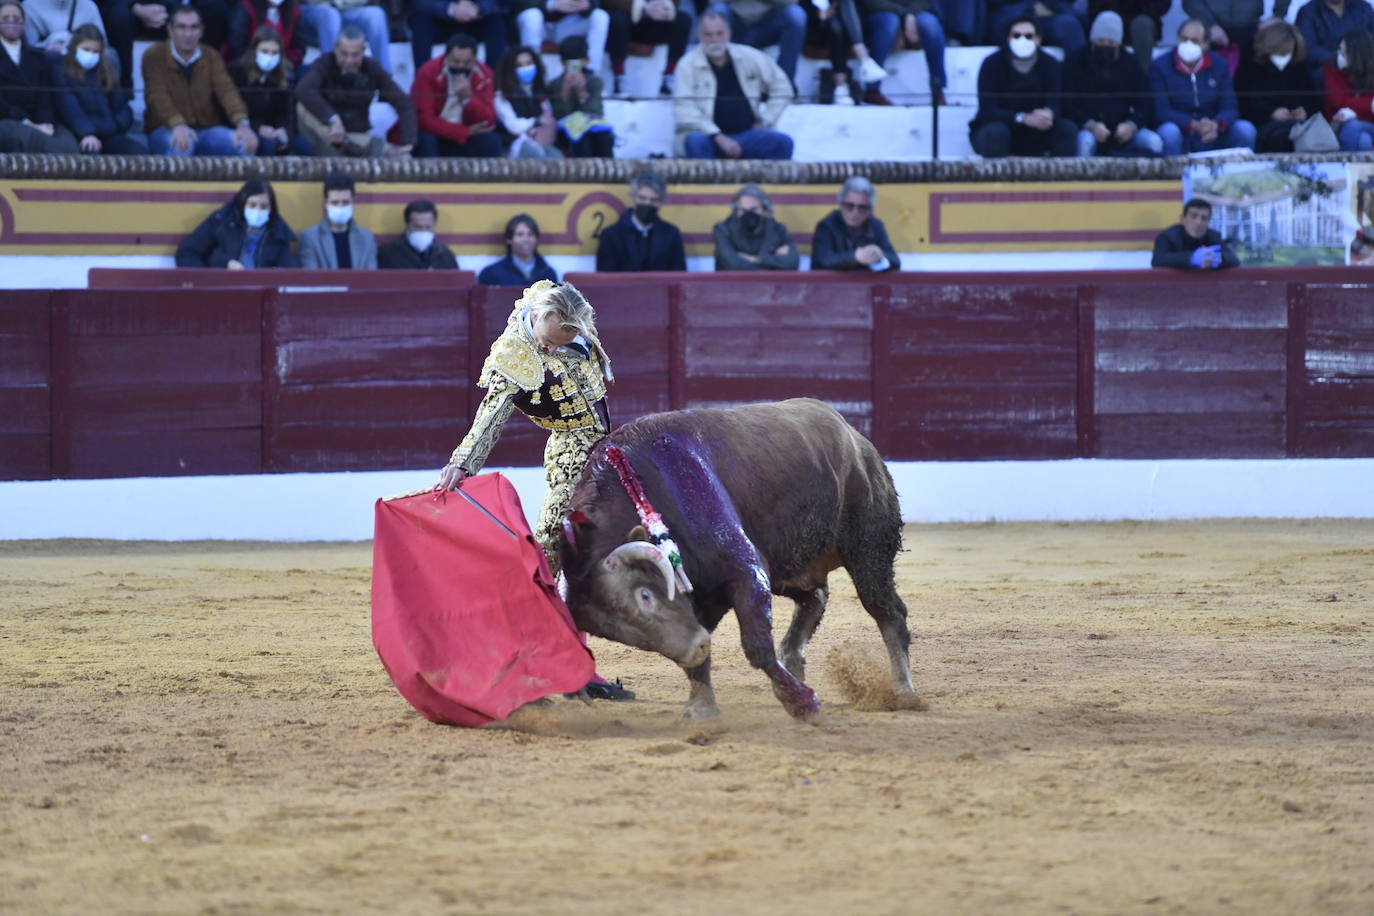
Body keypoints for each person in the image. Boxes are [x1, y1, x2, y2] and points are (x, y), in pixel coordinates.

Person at [434, 279, 633, 702]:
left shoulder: (557, 306)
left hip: (605, 452)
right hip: (572, 456)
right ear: (540, 320)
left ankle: (571, 667)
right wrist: (461, 463)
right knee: (556, 551)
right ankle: (523, 659)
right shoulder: (514, 354)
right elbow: (491, 416)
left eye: (565, 340)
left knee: (583, 556)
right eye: (549, 341)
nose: (550, 349)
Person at [672, 11, 794, 159]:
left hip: (747, 135)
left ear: (728, 33)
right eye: (708, 35)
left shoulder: (749, 56)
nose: (715, 40)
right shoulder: (687, 65)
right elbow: (683, 109)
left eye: (719, 33)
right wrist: (717, 136)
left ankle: (766, 182)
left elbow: (783, 87)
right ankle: (707, 182)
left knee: (783, 143)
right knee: (695, 140)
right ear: (699, 37)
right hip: (709, 137)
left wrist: (765, 120)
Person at [141, 6, 258, 155]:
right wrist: (177, 124)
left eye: (194, 27)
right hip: (166, 128)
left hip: (206, 130)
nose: (188, 34)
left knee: (243, 142)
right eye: (181, 27)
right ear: (170, 30)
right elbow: (156, 96)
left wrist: (242, 124)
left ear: (202, 30)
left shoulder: (211, 55)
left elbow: (227, 92)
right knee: (182, 145)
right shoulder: (154, 55)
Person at [296, 25, 417, 158]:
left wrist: (408, 142)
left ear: (363, 51)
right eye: (344, 53)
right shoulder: (324, 63)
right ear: (335, 48)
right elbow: (303, 90)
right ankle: (345, 145)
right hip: (323, 136)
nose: (349, 61)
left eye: (355, 55)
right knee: (302, 106)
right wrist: (333, 120)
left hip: (356, 137)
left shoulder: (372, 67)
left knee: (404, 158)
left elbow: (403, 102)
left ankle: (351, 148)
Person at [969, 17, 1077, 158]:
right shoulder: (991, 64)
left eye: (1028, 36)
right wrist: (1023, 118)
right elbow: (987, 109)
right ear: (1008, 38)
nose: (1022, 40)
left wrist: (1049, 114)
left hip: (1039, 130)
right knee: (994, 132)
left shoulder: (1051, 64)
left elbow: (1057, 102)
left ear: (1038, 39)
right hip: (1002, 127)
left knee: (1067, 129)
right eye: (1016, 35)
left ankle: (1062, 177)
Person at [1148, 17, 1256, 155]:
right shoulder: (1160, 66)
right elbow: (1161, 110)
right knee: (1169, 132)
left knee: (1245, 130)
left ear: (1206, 44)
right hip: (1182, 131)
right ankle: (1173, 175)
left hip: (1214, 132)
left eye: (1194, 41)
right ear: (1177, 39)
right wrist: (1193, 125)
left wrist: (1216, 125)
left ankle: (1240, 174)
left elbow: (1230, 106)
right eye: (1184, 39)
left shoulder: (1220, 65)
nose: (1188, 44)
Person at [1065, 11, 1162, 157]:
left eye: (1110, 43)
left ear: (1118, 43)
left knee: (1153, 141)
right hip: (1088, 128)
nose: (1105, 45)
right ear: (1092, 41)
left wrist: (1132, 125)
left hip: (1123, 129)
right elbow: (1066, 102)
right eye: (1100, 41)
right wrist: (1089, 125)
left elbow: (1145, 101)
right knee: (1084, 141)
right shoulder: (1075, 62)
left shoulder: (1131, 63)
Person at [0, 0, 82, 154]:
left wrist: (45, 122)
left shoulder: (38, 57)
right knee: (23, 137)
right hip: (8, 120)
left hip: (38, 120)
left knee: (68, 144)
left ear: (24, 22)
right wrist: (26, 122)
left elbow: (45, 96)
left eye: (16, 19)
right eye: (5, 19)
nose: (12, 23)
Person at [52, 23, 147, 154]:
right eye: (86, 50)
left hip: (110, 132)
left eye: (96, 51)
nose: (91, 55)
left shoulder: (107, 71)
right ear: (74, 48)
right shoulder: (61, 71)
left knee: (139, 153)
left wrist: (118, 125)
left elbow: (122, 107)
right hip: (79, 135)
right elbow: (69, 108)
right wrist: (86, 133)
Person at [103, 0, 232, 91]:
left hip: (177, 8)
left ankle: (206, 79)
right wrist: (137, 8)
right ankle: (124, 86)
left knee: (217, 9)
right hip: (134, 11)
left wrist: (181, 13)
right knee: (117, 15)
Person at [1236, 20, 1322, 153]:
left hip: (1297, 125)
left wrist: (1304, 111)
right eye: (1280, 53)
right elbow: (1244, 102)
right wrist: (1271, 113)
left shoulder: (1299, 66)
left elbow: (1311, 98)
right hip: (1264, 126)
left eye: (1287, 53)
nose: (1284, 58)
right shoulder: (1251, 66)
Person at [412, 33, 503, 158]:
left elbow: (488, 121)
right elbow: (424, 120)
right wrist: (464, 132)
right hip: (438, 134)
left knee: (491, 141)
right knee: (426, 140)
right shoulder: (428, 72)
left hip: (466, 137)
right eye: (455, 62)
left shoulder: (484, 75)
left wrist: (468, 100)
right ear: (446, 57)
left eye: (467, 63)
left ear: (475, 60)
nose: (461, 67)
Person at [176, 178, 299, 268]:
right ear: (242, 203)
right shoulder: (222, 220)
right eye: (252, 205)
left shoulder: (277, 231)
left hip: (263, 296)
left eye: (264, 206)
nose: (258, 210)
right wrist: (212, 275)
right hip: (223, 291)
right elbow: (187, 252)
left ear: (271, 209)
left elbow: (289, 270)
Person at [229, 25, 307, 155]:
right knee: (268, 147)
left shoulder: (286, 73)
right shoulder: (237, 71)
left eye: (274, 52)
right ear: (254, 50)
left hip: (275, 130)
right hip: (248, 129)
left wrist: (284, 131)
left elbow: (287, 112)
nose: (269, 57)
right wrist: (258, 128)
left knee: (304, 147)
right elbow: (231, 110)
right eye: (264, 51)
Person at [854, 0, 948, 106]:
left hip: (916, 11)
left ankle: (937, 88)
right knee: (889, 22)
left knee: (930, 25)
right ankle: (872, 88)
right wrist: (904, 15)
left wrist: (910, 14)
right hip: (879, 13)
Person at [595, 172, 686, 272]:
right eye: (642, 198)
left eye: (654, 200)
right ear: (633, 199)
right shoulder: (611, 235)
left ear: (661, 202)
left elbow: (679, 277)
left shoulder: (671, 234)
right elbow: (606, 279)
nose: (648, 203)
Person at [811, 176, 899, 271]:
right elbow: (821, 261)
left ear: (870, 210)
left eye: (862, 207)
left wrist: (880, 255)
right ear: (840, 205)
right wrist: (855, 257)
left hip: (867, 284)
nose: (855, 213)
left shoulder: (876, 226)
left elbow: (895, 261)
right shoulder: (827, 226)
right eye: (849, 206)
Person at [604, 0, 691, 97]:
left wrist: (664, 6)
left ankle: (669, 76)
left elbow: (675, 2)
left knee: (683, 19)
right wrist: (642, 7)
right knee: (617, 19)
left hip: (654, 22)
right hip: (626, 20)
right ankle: (619, 78)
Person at [548, 35, 615, 157]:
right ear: (562, 62)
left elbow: (595, 111)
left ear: (586, 61)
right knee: (581, 139)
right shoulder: (555, 84)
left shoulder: (594, 81)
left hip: (591, 124)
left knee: (604, 137)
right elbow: (560, 114)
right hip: (566, 130)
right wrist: (565, 91)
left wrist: (582, 91)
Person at [709, 0, 806, 83]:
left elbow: (792, 2)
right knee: (717, 11)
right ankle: (720, 85)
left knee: (796, 15)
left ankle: (784, 87)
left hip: (768, 25)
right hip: (734, 24)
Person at [494, 45, 563, 158]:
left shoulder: (539, 91)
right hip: (516, 144)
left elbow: (548, 117)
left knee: (558, 158)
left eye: (529, 63)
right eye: (519, 65)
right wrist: (536, 121)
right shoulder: (502, 95)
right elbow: (513, 126)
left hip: (542, 141)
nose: (526, 68)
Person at [299, 172, 378, 269]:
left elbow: (371, 278)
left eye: (345, 202)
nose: (340, 207)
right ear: (325, 203)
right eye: (335, 202)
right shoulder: (310, 238)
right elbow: (311, 278)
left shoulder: (367, 239)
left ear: (353, 201)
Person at [712, 183, 799, 270]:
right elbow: (733, 265)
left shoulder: (778, 230)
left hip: (771, 283)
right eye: (743, 210)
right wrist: (774, 261)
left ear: (765, 211)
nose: (749, 214)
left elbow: (792, 263)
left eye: (754, 209)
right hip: (733, 283)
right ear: (736, 212)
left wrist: (755, 259)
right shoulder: (723, 230)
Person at [1182, 0, 1288, 71]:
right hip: (1209, 34)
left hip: (1251, 30)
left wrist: (1278, 16)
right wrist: (1210, 24)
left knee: (1251, 84)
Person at [513, 0, 610, 76]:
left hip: (569, 22)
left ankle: (591, 75)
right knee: (532, 15)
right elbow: (519, 4)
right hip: (541, 22)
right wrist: (550, 4)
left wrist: (588, 4)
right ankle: (533, 75)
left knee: (600, 16)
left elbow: (598, 2)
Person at [408, 0, 506, 73]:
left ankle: (493, 82)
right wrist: (450, 9)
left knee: (497, 22)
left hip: (477, 18)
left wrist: (479, 8)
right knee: (422, 21)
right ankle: (423, 81)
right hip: (440, 21)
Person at [297, 0, 392, 74]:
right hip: (311, 10)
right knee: (330, 15)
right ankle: (332, 76)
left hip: (346, 9)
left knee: (376, 14)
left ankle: (385, 77)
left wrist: (338, 2)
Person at [1151, 197, 1239, 270]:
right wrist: (1191, 258)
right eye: (1193, 216)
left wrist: (1219, 259)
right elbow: (1157, 261)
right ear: (1183, 219)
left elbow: (1234, 260)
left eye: (1204, 218)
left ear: (1209, 222)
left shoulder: (1213, 236)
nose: (1198, 222)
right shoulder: (1168, 237)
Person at [1089, 1, 1171, 75]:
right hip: (1110, 17)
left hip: (1142, 20)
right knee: (1107, 20)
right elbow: (1095, 7)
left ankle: (1141, 77)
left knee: (1141, 25)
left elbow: (1161, 5)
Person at [1325, 29, 1374, 150]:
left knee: (1354, 127)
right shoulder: (1331, 67)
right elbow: (1339, 102)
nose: (1339, 56)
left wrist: (1354, 111)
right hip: (1340, 125)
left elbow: (1346, 103)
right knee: (1363, 140)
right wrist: (1370, 104)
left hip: (1368, 125)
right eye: (1339, 50)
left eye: (1344, 52)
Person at [378, 199, 462, 270]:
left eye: (428, 227)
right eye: (418, 227)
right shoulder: (387, 254)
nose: (423, 231)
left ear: (434, 225)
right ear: (407, 225)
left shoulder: (445, 255)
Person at [478, 213, 560, 284]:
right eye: (520, 234)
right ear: (509, 239)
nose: (526, 239)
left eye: (530, 234)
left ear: (536, 239)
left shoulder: (548, 274)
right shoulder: (490, 274)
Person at [1296, 0, 1374, 73]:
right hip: (1325, 70)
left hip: (1363, 68)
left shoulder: (1363, 8)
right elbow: (1307, 48)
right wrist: (1338, 60)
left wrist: (1359, 59)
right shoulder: (1308, 12)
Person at [987, 0, 1086, 55]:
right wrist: (1032, 5)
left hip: (1049, 15)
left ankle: (1080, 86)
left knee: (1069, 25)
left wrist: (1049, 8)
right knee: (1019, 29)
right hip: (1010, 15)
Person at [227, 0, 307, 67]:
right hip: (248, 67)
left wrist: (285, 64)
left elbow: (299, 46)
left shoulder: (293, 10)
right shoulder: (247, 6)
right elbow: (237, 45)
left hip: (283, 69)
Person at [22, 0, 107, 55]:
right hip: (47, 63)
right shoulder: (29, 6)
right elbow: (27, 49)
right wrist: (46, 45)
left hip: (80, 62)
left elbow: (103, 44)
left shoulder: (89, 6)